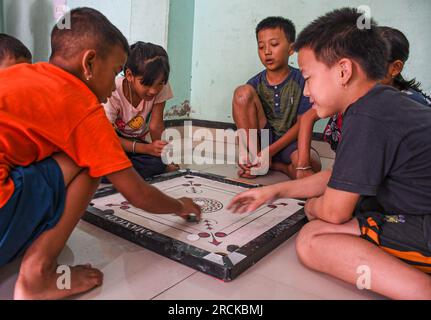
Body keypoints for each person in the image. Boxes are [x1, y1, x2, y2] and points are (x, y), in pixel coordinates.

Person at [228, 8, 431, 299]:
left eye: (309, 78)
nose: (307, 91)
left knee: (312, 239)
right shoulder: (380, 104)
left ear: (344, 71)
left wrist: (312, 207)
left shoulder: (367, 115)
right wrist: (273, 192)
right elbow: (337, 176)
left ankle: (420, 291)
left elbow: (335, 212)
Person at [0, 8, 201, 300]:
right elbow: (138, 195)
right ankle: (37, 275)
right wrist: (180, 205)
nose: (113, 85)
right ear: (89, 63)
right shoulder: (81, 104)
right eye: (115, 72)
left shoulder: (23, 75)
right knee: (90, 164)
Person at [296, 26, 431, 179]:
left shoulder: (403, 107)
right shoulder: (354, 91)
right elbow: (308, 117)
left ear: (395, 68)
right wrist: (303, 165)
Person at [232, 16, 320, 180]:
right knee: (241, 93)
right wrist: (252, 152)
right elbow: (244, 125)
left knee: (312, 166)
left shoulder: (302, 80)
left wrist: (269, 153)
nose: (267, 52)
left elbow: (303, 123)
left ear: (291, 48)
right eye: (261, 46)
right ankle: (255, 162)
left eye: (274, 45)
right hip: (261, 142)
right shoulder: (254, 84)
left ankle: (277, 166)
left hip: (291, 143)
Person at [103, 42, 179, 180]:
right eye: (147, 84)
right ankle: (118, 171)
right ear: (129, 75)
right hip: (112, 142)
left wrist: (161, 154)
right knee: (100, 158)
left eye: (160, 84)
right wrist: (146, 149)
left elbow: (155, 126)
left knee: (157, 163)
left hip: (136, 144)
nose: (154, 90)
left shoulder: (161, 86)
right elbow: (106, 138)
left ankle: (118, 172)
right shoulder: (114, 90)